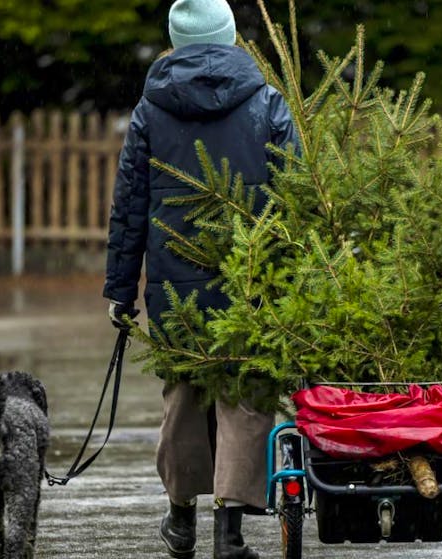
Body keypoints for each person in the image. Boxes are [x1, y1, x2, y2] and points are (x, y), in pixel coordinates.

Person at [103, 0, 298, 557]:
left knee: (185, 396)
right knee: (245, 394)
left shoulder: (151, 110)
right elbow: (297, 195)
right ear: (230, 35)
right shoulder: (265, 103)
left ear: (176, 41)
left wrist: (120, 290)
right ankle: (229, 533)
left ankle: (182, 518)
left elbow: (130, 207)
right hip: (250, 278)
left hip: (175, 284)